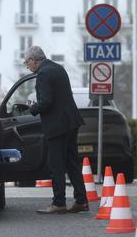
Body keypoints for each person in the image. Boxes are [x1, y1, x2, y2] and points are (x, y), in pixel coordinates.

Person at [24, 46, 88, 214]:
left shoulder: (43, 74)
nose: (28, 66)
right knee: (72, 163)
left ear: (33, 60)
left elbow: (46, 102)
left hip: (57, 126)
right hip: (71, 122)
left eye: (27, 62)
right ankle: (81, 200)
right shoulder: (57, 68)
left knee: (56, 165)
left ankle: (58, 203)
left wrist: (33, 108)